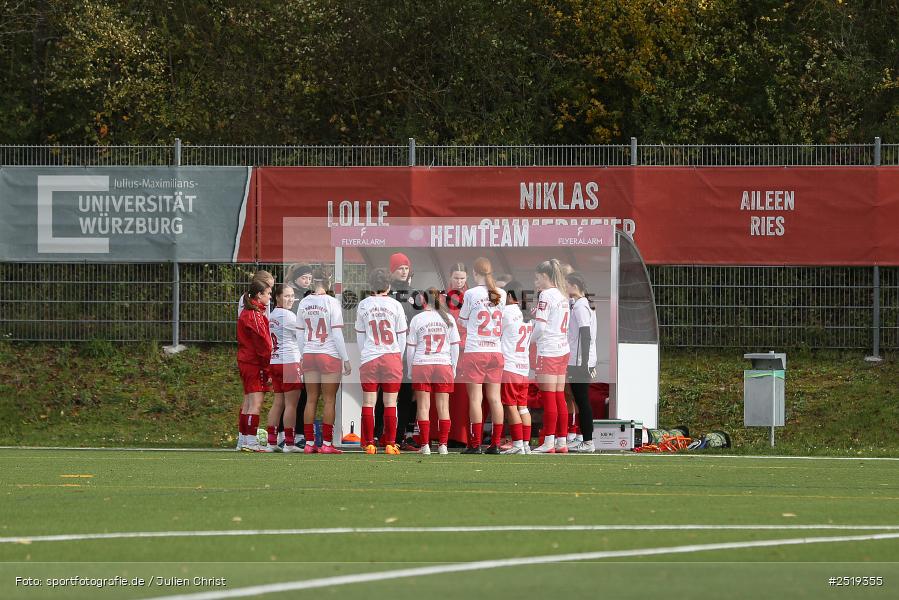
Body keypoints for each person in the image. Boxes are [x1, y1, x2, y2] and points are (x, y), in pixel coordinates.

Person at [297, 270, 351, 454]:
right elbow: (336, 334)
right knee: (329, 400)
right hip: (328, 354)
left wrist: (303, 353)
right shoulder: (331, 302)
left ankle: (309, 443)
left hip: (310, 352)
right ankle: (327, 444)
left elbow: (299, 332)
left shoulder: (304, 302)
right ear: (327, 283)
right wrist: (346, 358)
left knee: (311, 399)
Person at [356, 268, 408, 455]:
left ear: (371, 285)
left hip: (370, 356)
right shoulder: (396, 305)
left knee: (369, 402)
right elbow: (401, 337)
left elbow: (360, 336)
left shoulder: (363, 305)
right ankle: (390, 443)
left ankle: (369, 443)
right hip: (391, 356)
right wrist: (398, 357)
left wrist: (366, 354)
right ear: (389, 285)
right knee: (390, 402)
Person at [457, 257, 506, 454]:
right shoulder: (501, 293)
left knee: (476, 399)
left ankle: (475, 443)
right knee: (495, 399)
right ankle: (495, 443)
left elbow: (462, 321)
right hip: (495, 350)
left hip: (476, 351)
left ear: (474, 273)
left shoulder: (471, 293)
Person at [406, 287, 460, 455]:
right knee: (444, 407)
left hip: (422, 363)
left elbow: (410, 349)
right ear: (440, 300)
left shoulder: (417, 319)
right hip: (443, 364)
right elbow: (455, 347)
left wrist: (410, 369)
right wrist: (454, 367)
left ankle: (425, 445)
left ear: (423, 300)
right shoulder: (448, 318)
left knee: (423, 407)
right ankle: (443, 445)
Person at [530, 259, 571, 453]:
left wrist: (527, 342)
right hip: (562, 348)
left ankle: (548, 442)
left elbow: (540, 327)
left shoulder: (546, 295)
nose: (536, 282)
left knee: (549, 398)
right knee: (559, 397)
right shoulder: (562, 295)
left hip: (549, 350)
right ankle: (561, 442)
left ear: (545, 276)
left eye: (538, 278)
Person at [262, 284, 303, 453]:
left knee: (278, 402)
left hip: (275, 361)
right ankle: (289, 442)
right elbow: (303, 334)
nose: (290, 299)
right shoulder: (290, 316)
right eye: (286, 296)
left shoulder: (271, 315)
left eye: (292, 295)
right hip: (290, 362)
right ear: (277, 297)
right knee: (291, 404)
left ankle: (271, 442)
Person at [235, 270, 274, 449]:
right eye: (268, 293)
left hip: (245, 360)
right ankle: (251, 442)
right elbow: (264, 345)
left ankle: (243, 439)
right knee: (255, 404)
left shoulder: (247, 311)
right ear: (259, 294)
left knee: (248, 402)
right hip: (254, 362)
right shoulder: (255, 315)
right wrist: (267, 368)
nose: (270, 297)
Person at [385, 252, 419, 450]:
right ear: (392, 271)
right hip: (389, 352)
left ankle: (405, 435)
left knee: (408, 395)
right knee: (386, 396)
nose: (404, 272)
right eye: (400, 268)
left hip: (408, 352)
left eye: (406, 268)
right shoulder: (386, 294)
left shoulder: (415, 294)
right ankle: (383, 434)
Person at [499, 280, 533, 454]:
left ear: (510, 295)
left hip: (510, 365)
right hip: (523, 367)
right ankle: (525, 444)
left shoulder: (506, 312)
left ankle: (518, 444)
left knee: (510, 405)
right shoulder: (528, 315)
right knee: (523, 406)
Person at [282, 263, 314, 449]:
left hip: (300, 351)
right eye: (304, 278)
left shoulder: (307, 296)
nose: (307, 281)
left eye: (309, 278)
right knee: (294, 397)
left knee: (294, 398)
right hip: (294, 352)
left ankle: (289, 434)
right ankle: (294, 434)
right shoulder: (294, 299)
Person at [566, 272, 598, 453]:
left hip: (580, 361)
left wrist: (584, 362)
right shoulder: (581, 304)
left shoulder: (580, 306)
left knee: (582, 399)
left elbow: (585, 334)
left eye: (567, 285)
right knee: (579, 399)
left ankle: (588, 441)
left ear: (574, 286)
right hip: (579, 359)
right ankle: (582, 437)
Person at [443, 263, 471, 446]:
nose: (459, 281)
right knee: (447, 395)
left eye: (462, 278)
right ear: (450, 277)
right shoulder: (443, 298)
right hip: (446, 350)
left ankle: (461, 436)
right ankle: (444, 435)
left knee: (463, 398)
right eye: (456, 278)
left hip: (465, 351)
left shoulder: (472, 296)